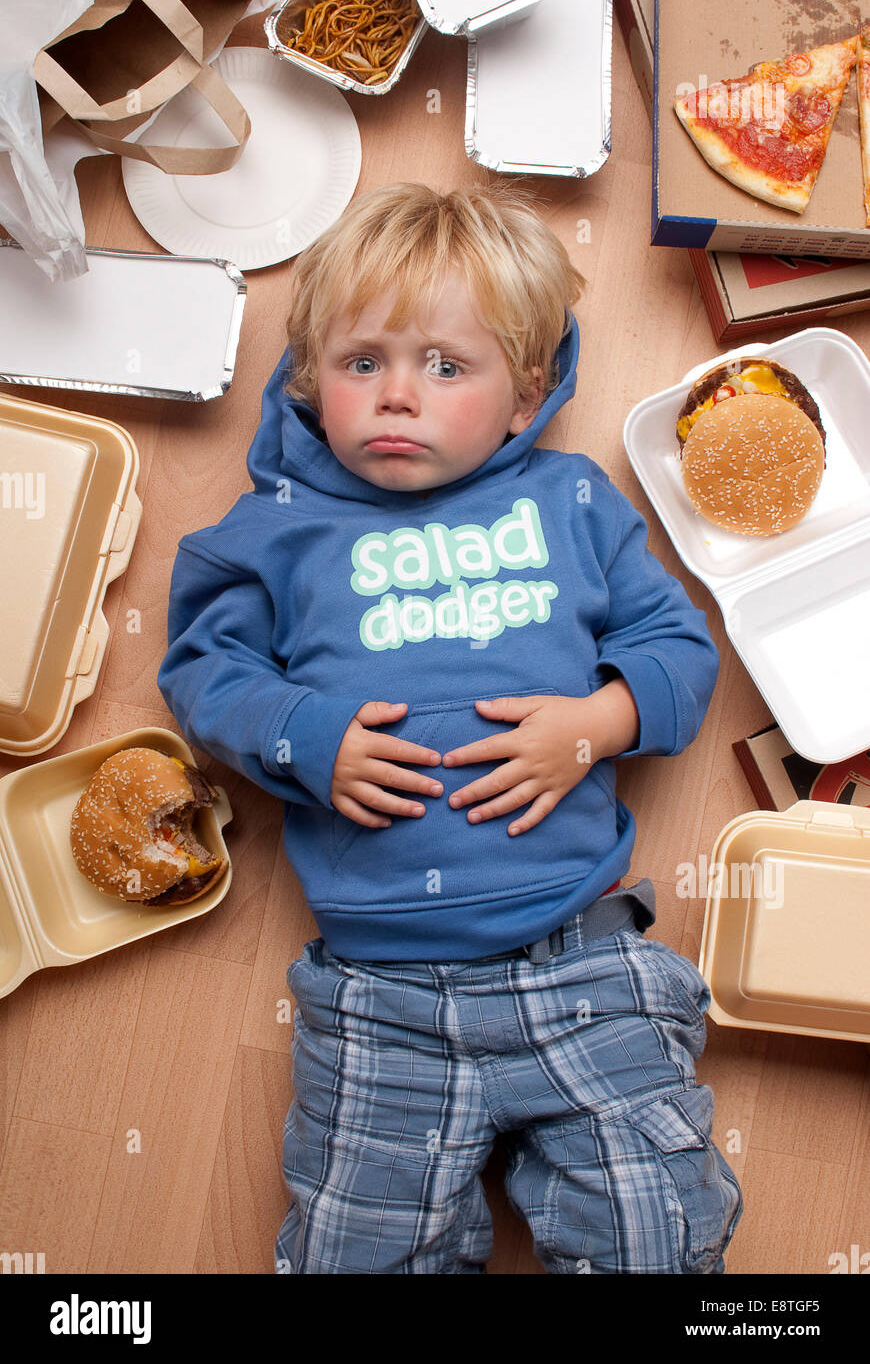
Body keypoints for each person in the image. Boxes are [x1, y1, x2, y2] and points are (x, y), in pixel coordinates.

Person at [158, 181, 744, 1274]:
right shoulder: (273, 531)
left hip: (581, 963)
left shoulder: (571, 503)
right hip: (380, 997)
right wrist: (305, 736)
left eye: (444, 365)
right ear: (308, 380)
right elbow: (202, 670)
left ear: (525, 398)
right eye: (362, 361)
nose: (396, 396)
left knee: (659, 1235)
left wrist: (595, 725)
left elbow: (681, 653)